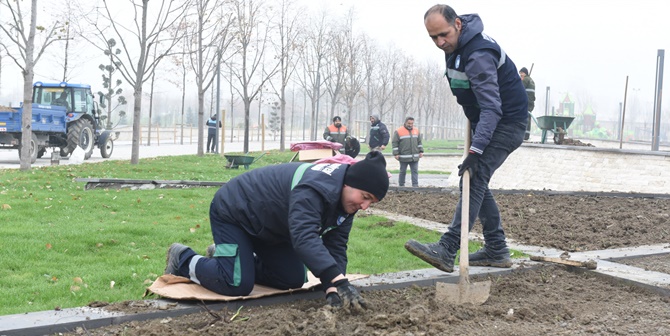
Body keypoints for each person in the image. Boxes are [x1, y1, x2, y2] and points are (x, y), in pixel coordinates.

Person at [164, 151, 390, 310]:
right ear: (348, 184)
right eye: (366, 197)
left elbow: (336, 247)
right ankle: (184, 259)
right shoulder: (314, 189)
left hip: (273, 226)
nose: (365, 206)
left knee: (292, 278)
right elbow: (304, 238)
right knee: (235, 284)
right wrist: (341, 282)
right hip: (235, 211)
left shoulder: (347, 203)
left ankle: (229, 258)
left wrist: (331, 289)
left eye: (372, 202)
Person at [404, 5, 528, 272]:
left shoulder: (478, 54)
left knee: (474, 178)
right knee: (476, 182)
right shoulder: (456, 48)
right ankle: (497, 249)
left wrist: (476, 150)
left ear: (458, 24)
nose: (440, 42)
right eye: (433, 37)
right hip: (487, 121)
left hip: (506, 123)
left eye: (444, 34)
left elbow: (493, 108)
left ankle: (447, 249)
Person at [392, 116, 424, 187]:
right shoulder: (399, 131)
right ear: (405, 122)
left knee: (415, 172)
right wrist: (396, 153)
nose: (410, 125)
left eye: (412, 123)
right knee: (402, 171)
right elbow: (395, 143)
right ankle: (401, 185)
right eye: (409, 123)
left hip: (414, 157)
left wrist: (421, 151)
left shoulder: (416, 131)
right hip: (403, 157)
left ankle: (415, 186)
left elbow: (419, 142)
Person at [519, 67, 536, 140]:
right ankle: (527, 135)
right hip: (531, 102)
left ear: (524, 73)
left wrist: (520, 81)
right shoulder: (531, 80)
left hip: (526, 101)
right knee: (528, 117)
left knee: (524, 117)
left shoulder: (525, 80)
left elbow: (520, 88)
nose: (520, 76)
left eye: (521, 74)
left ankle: (524, 135)